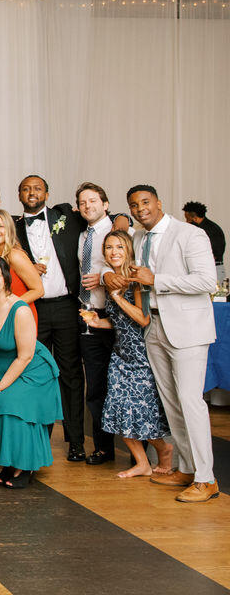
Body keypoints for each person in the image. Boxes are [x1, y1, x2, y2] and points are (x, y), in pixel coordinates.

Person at [112, 185, 218, 502]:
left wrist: (156, 280)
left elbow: (206, 281)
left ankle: (206, 479)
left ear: (159, 203)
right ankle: (186, 468)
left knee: (190, 401)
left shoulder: (190, 234)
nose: (140, 209)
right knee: (171, 405)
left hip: (187, 328)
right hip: (154, 326)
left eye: (145, 202)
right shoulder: (139, 238)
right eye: (134, 205)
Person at [81, 230, 173, 479]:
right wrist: (99, 323)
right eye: (109, 248)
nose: (114, 252)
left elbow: (143, 319)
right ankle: (142, 463)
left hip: (141, 356)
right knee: (118, 409)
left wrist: (117, 298)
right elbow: (119, 322)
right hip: (120, 354)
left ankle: (164, 450)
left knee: (141, 411)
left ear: (129, 250)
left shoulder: (136, 280)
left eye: (119, 247)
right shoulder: (111, 281)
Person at [13, 174, 87, 463]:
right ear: (19, 195)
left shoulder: (67, 217)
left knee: (70, 374)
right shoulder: (12, 228)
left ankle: (76, 441)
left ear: (47, 193)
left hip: (66, 306)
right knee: (34, 373)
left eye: (37, 188)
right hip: (33, 309)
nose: (32, 193)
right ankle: (37, 440)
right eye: (26, 189)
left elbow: (101, 219)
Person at [0, 255, 63, 488]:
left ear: (6, 279)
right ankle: (4, 460)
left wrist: (1, 385)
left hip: (31, 370)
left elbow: (25, 356)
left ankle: (24, 464)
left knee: (10, 401)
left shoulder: (19, 309)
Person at [74, 183, 116, 465]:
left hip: (115, 317)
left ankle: (141, 448)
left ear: (106, 204)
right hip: (88, 316)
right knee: (96, 386)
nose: (88, 206)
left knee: (124, 382)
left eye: (93, 200)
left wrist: (102, 278)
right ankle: (103, 447)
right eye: (83, 202)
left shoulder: (119, 232)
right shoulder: (82, 235)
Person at [0, 209, 44, 319]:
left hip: (18, 315)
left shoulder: (14, 255)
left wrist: (8, 307)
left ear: (9, 229)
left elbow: (38, 290)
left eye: (0, 226)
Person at [183, 201, 225, 281]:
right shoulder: (205, 228)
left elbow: (216, 253)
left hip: (214, 269)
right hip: (209, 269)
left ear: (195, 218)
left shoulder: (211, 230)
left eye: (187, 219)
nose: (186, 222)